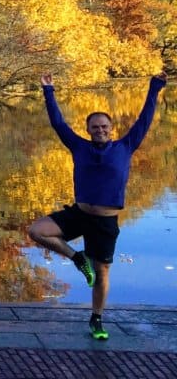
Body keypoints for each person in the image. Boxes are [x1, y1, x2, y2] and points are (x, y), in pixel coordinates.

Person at [28, 72, 166, 340]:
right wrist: (49, 91)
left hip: (105, 221)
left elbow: (145, 119)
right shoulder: (78, 146)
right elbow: (58, 123)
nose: (100, 130)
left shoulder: (126, 145)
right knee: (37, 231)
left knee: (102, 272)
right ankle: (78, 258)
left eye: (104, 126)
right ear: (88, 129)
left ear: (111, 128)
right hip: (79, 214)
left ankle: (97, 319)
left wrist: (155, 88)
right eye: (95, 127)